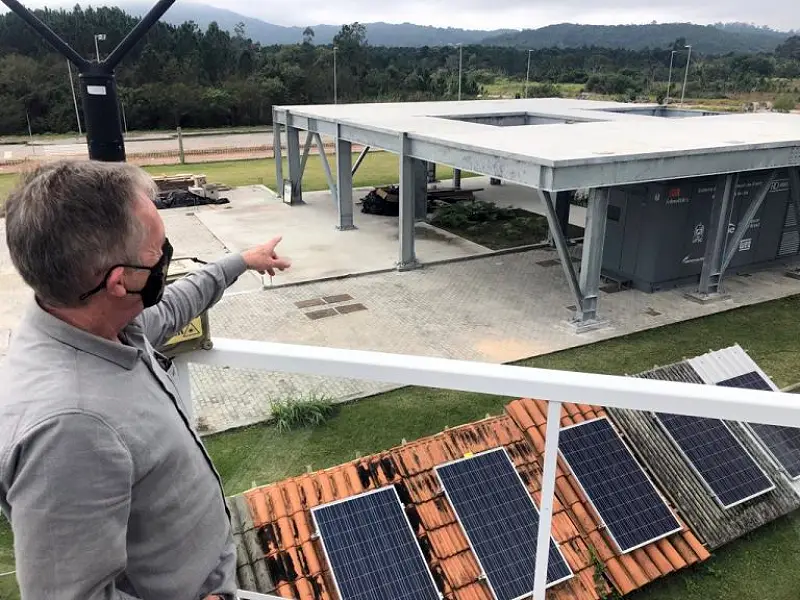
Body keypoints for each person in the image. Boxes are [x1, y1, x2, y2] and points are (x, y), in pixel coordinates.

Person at [0, 160, 291, 600]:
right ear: (120, 281)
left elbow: (174, 305)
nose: (165, 261)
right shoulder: (70, 429)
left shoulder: (103, 325)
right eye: (160, 252)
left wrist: (241, 262)